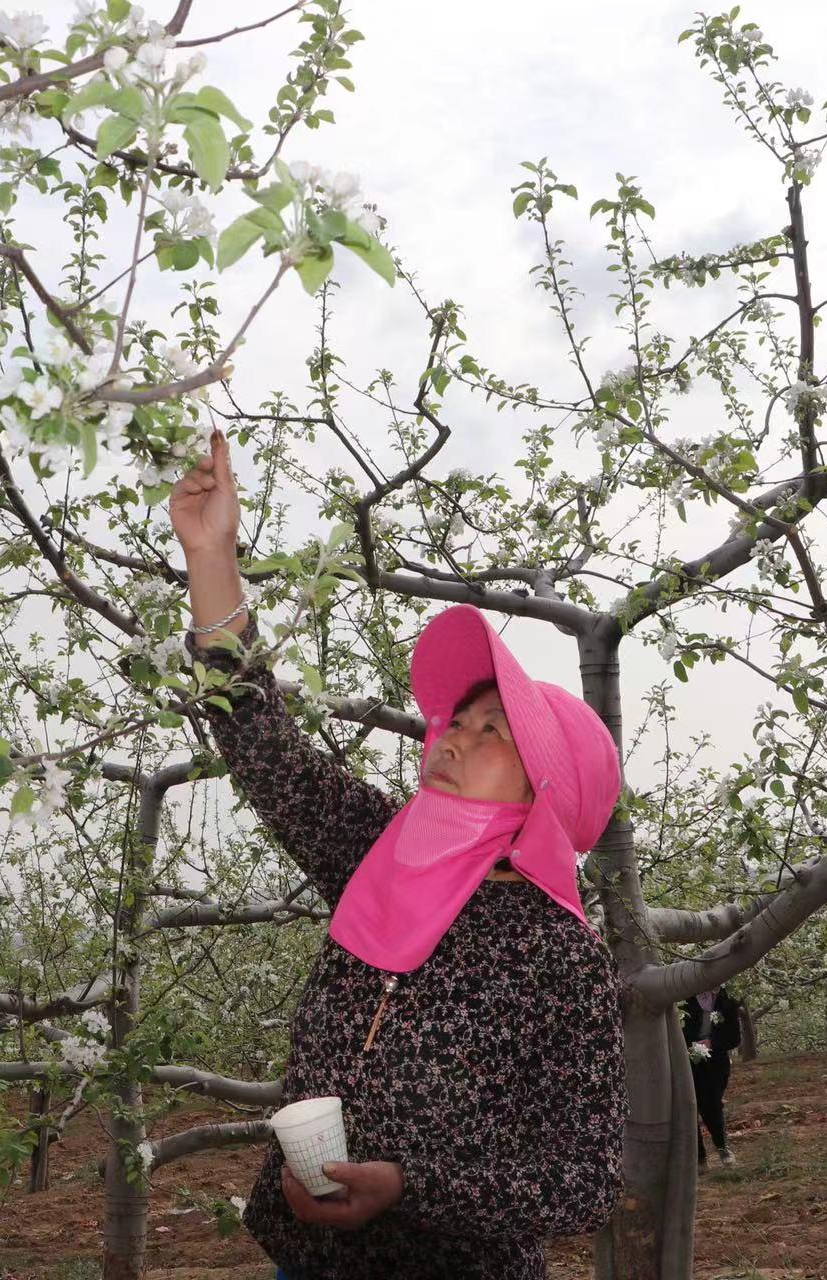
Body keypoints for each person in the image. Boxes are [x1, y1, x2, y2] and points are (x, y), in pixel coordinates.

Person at [169, 428, 626, 1280]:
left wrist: (411, 1188)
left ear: (545, 799)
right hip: (306, 1260)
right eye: (460, 718)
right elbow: (265, 747)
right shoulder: (379, 850)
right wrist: (212, 556)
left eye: (494, 731)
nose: (455, 735)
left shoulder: (556, 953)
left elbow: (585, 1178)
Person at [680, 984, 742, 1169]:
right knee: (690, 1106)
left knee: (712, 1104)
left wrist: (712, 1042)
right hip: (688, 1060)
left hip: (716, 1061)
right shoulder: (685, 998)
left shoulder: (727, 1001)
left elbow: (734, 1037)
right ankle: (699, 1157)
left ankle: (722, 1147)